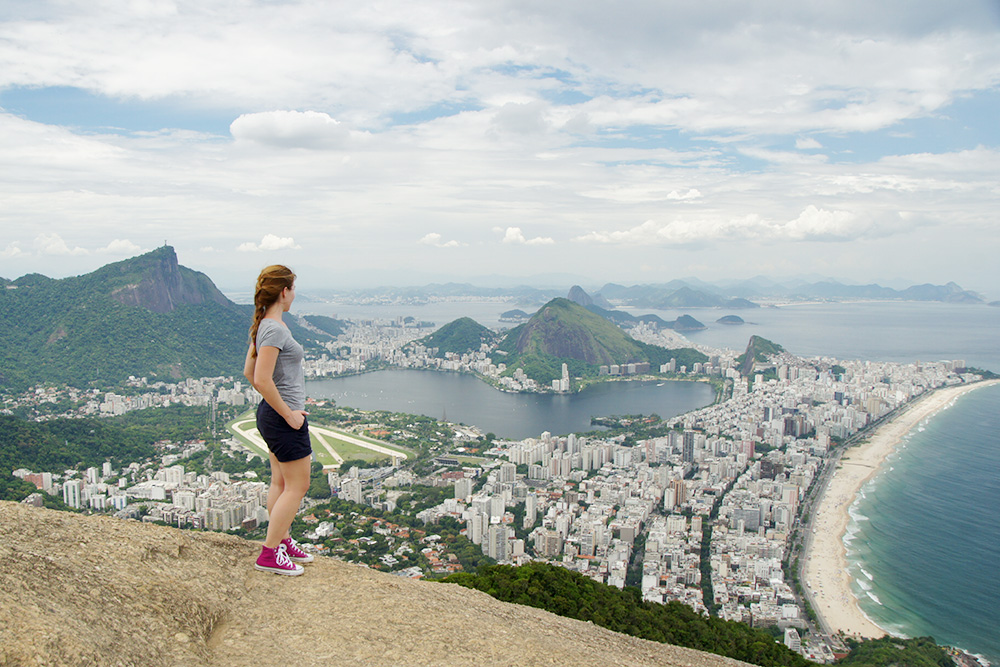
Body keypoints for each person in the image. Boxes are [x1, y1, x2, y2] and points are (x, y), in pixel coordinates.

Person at [243, 264, 315, 575]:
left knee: (281, 481)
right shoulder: (274, 328)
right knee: (298, 486)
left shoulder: (264, 326)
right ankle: (270, 553)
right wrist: (289, 414)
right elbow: (260, 378)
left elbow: (250, 373)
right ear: (284, 292)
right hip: (283, 417)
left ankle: (281, 540)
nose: (294, 294)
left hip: (272, 414)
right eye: (293, 289)